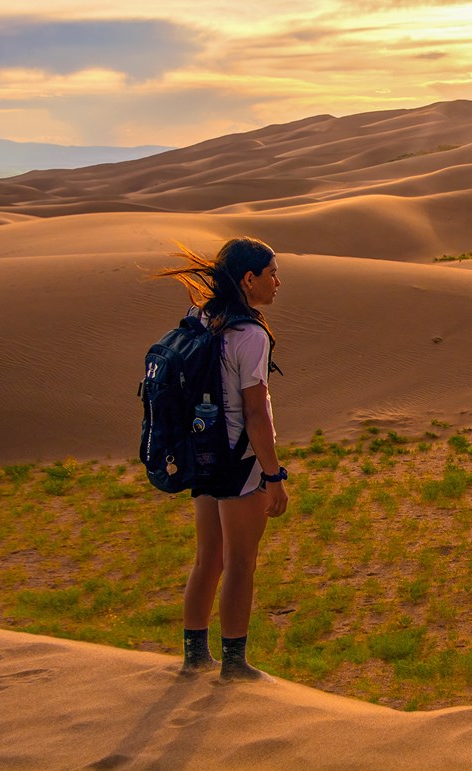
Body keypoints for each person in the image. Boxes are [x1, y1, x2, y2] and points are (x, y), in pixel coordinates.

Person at [156, 237, 289, 681]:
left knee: (207, 557)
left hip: (201, 453)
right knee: (240, 561)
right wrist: (274, 475)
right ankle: (234, 663)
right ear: (249, 279)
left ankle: (195, 656)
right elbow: (256, 412)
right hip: (238, 460)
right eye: (271, 273)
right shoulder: (249, 334)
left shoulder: (202, 317)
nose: (277, 282)